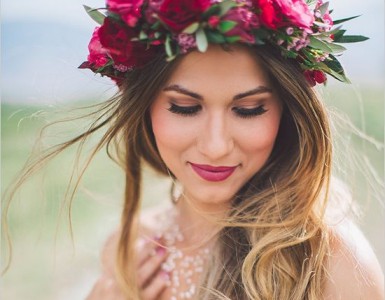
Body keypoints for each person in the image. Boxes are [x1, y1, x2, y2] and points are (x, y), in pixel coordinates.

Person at [3, 0, 384, 299]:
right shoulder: (131, 246)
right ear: (145, 106)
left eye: (248, 110)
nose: (216, 146)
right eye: (185, 107)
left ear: (286, 111)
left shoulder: (329, 258)